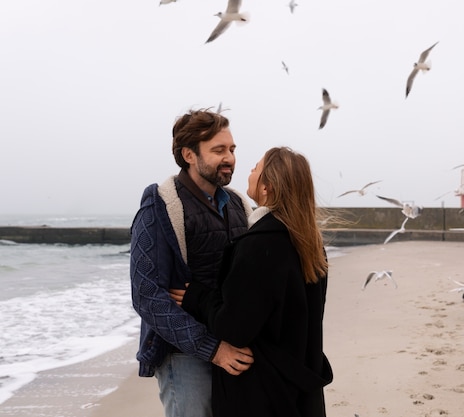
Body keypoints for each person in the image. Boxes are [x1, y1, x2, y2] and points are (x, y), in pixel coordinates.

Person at [176, 146, 333, 417]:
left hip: (262, 392)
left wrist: (197, 297)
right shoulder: (312, 245)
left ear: (267, 188)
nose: (249, 171)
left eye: (256, 168)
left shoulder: (260, 245)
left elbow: (234, 328)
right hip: (301, 390)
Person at [129, 108, 255, 417]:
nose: (230, 158)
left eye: (232, 149)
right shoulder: (161, 204)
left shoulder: (239, 204)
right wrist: (212, 349)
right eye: (218, 150)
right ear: (189, 154)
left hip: (235, 346)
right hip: (183, 354)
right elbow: (147, 295)